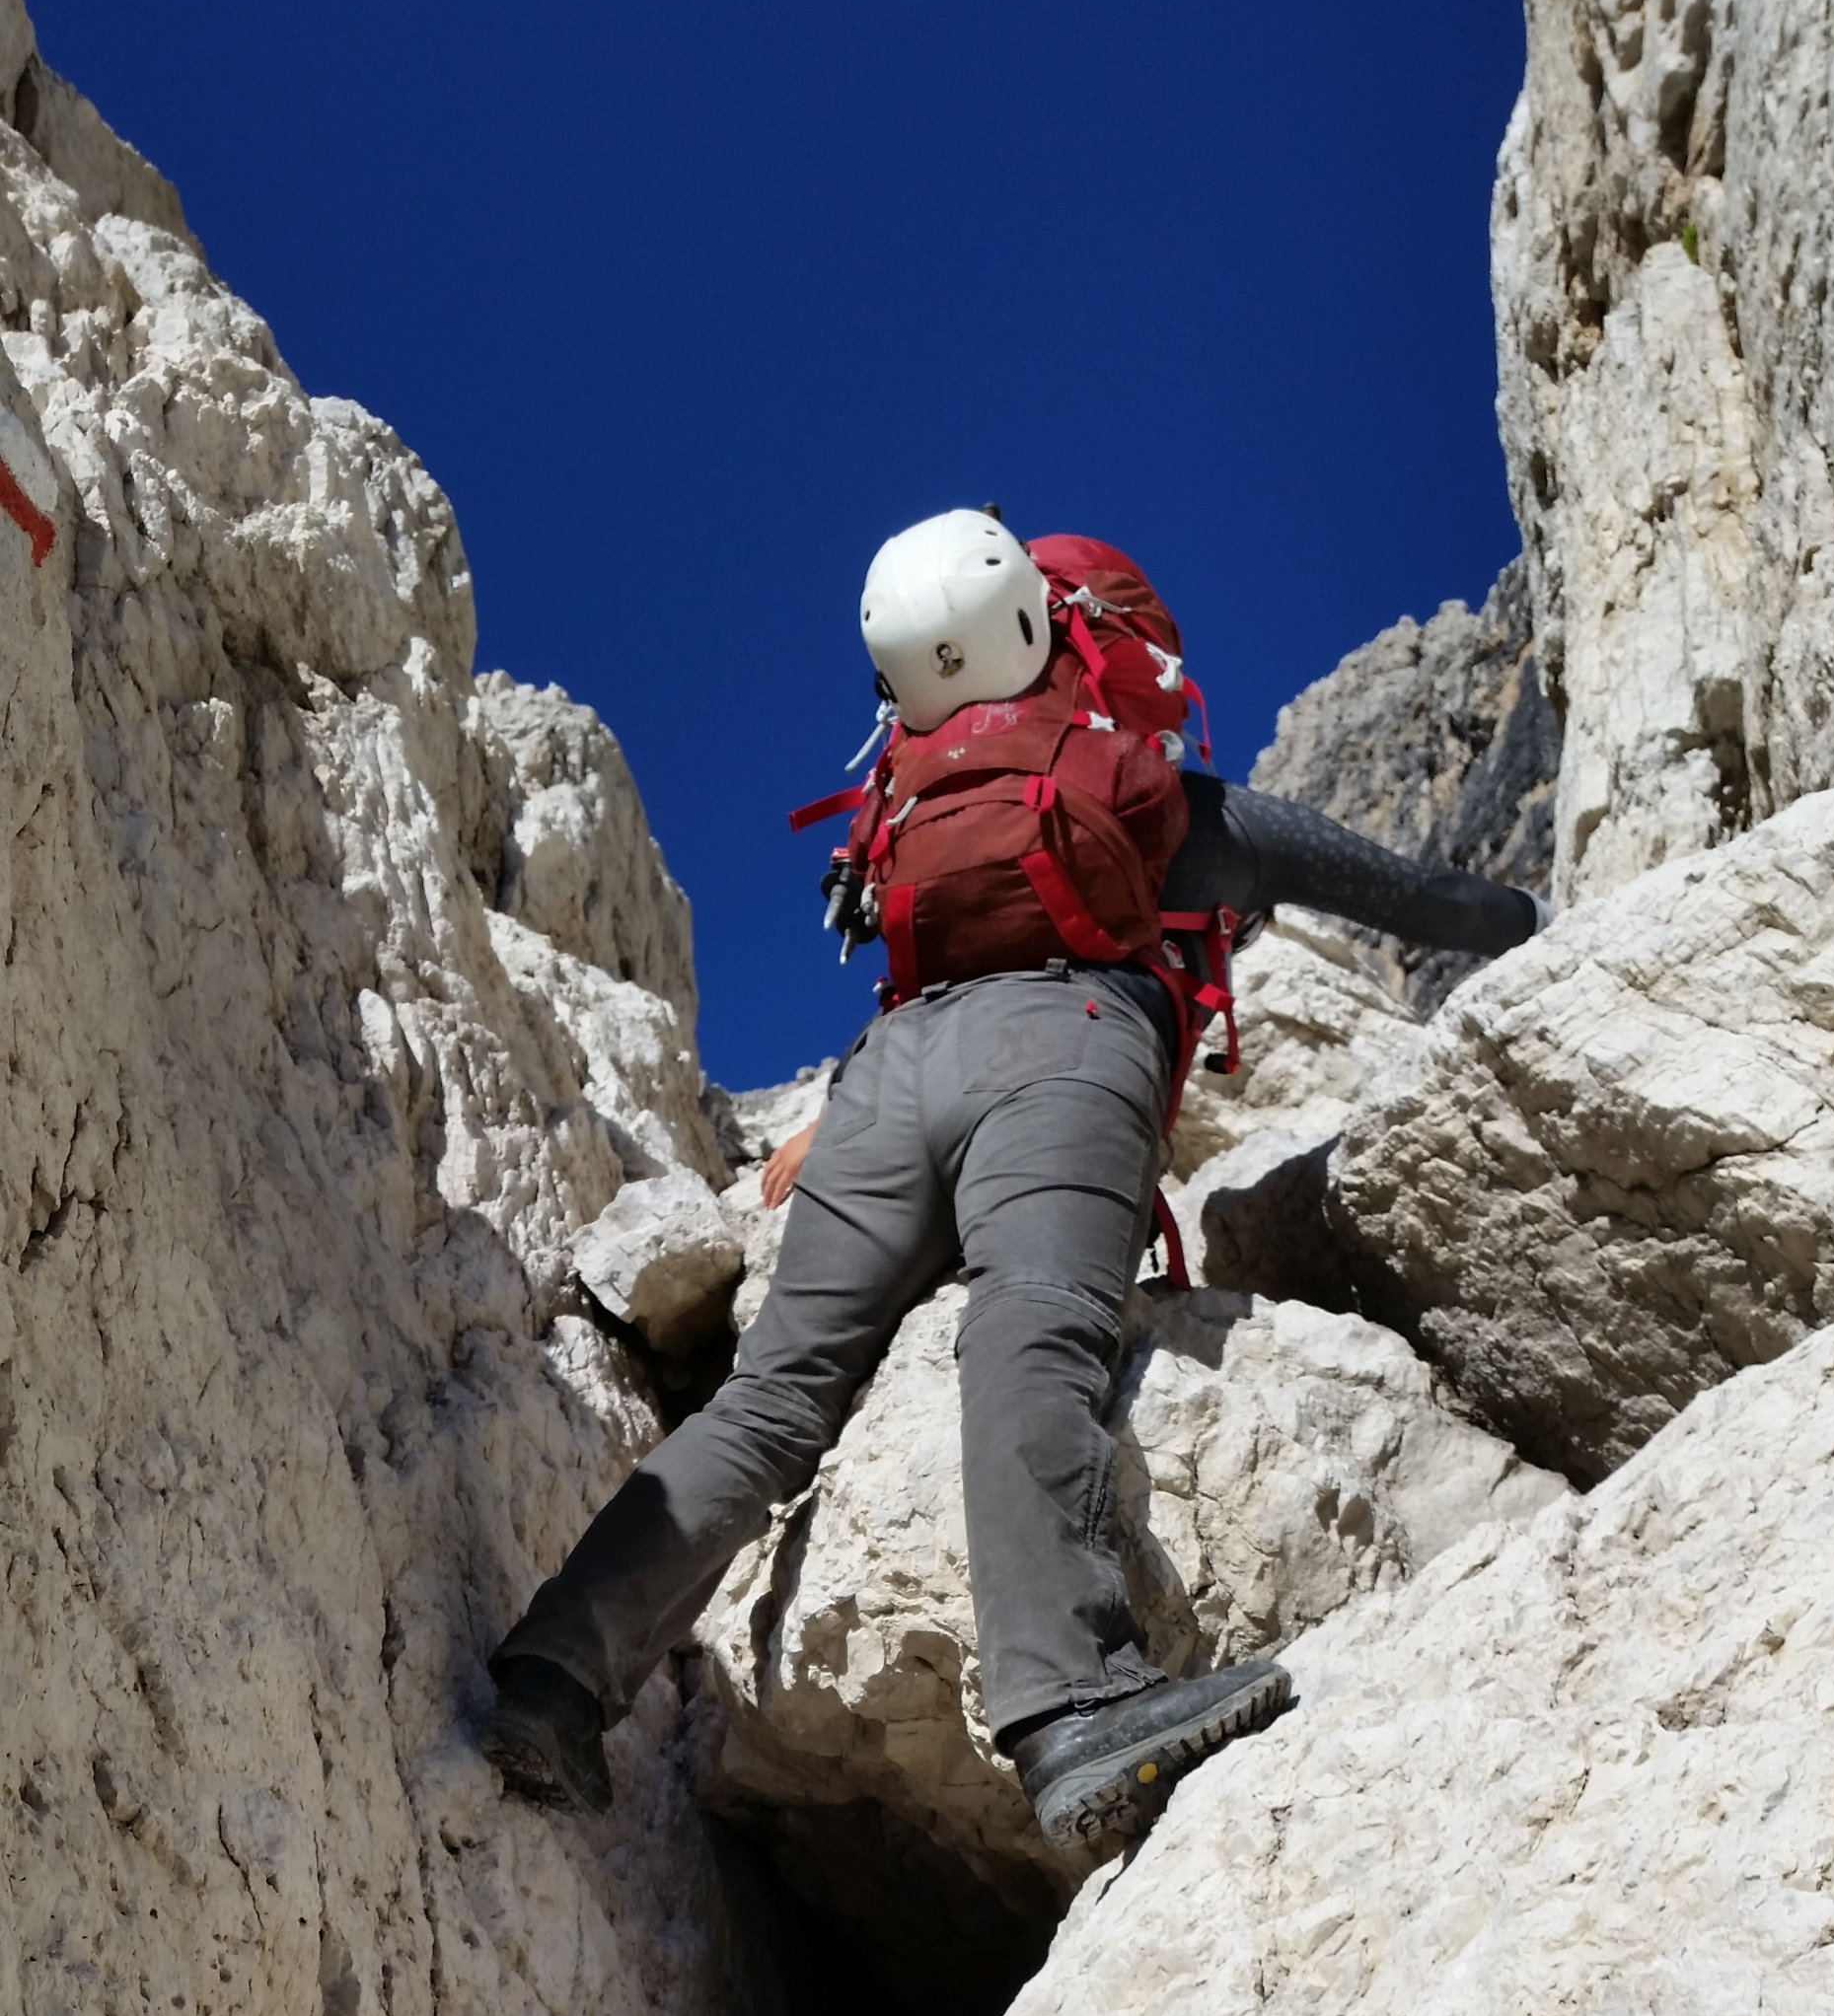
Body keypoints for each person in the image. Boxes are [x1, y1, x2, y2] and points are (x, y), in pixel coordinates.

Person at [482, 512, 1539, 1849]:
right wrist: (1533, 923)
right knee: (1031, 1328)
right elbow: (1420, 897)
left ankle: (553, 1680)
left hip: (887, 1083)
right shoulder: (1160, 799)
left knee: (771, 1398)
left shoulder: (912, 804)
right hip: (1066, 1044)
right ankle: (1073, 1704)